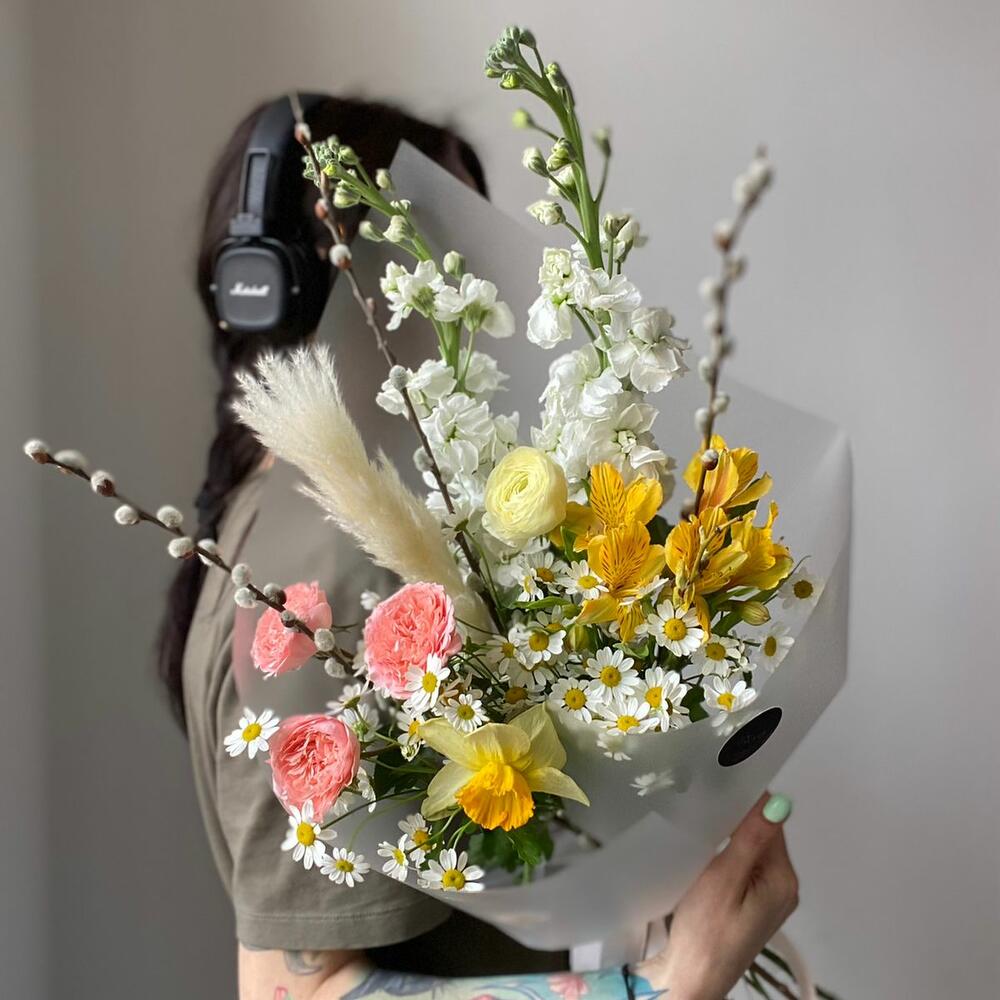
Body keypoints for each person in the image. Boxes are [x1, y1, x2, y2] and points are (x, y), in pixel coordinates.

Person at [158, 93, 799, 1000]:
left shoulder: (285, 518)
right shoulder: (327, 559)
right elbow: (294, 992)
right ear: (305, 279)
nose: (481, 283)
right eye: (442, 243)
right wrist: (668, 985)